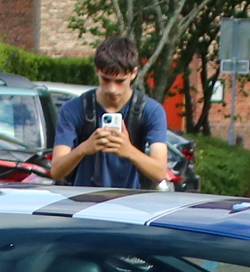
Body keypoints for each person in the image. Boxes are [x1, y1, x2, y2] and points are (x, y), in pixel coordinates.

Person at [48, 36, 173, 190]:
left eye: (120, 81)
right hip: (84, 204)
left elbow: (160, 172)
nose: (112, 89)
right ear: (97, 70)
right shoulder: (73, 109)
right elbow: (56, 171)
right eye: (105, 79)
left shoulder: (152, 111)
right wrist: (84, 148)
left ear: (134, 73)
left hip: (132, 206)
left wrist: (129, 151)